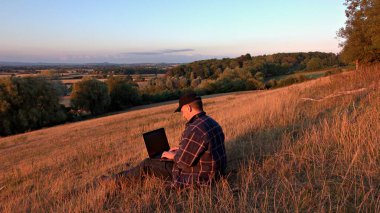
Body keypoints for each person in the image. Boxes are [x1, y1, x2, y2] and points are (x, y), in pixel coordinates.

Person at [102, 93, 227, 187]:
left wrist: (172, 155)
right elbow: (202, 149)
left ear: (189, 108)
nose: (183, 115)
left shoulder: (194, 128)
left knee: (147, 164)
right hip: (217, 173)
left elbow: (183, 163)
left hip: (201, 177)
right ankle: (119, 178)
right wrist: (181, 150)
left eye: (182, 111)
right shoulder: (211, 122)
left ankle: (114, 181)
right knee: (162, 157)